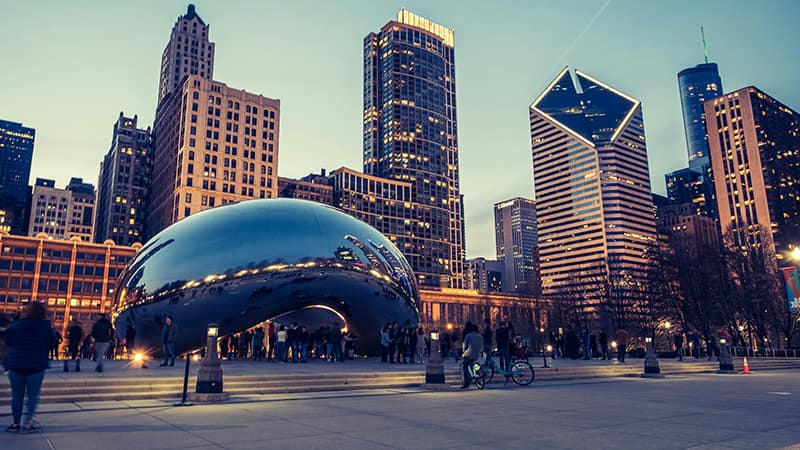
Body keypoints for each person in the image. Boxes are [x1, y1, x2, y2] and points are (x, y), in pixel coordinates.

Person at [4, 302, 54, 433]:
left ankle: (15, 424)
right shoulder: (46, 326)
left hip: (17, 364)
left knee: (16, 395)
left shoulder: (17, 325)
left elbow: (8, 340)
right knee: (33, 395)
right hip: (36, 364)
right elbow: (52, 342)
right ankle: (28, 422)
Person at [460, 322, 484, 389]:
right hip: (477, 353)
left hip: (469, 352)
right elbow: (482, 345)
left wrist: (463, 350)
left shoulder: (469, 335)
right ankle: (477, 375)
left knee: (465, 367)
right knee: (473, 364)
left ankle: (466, 382)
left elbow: (465, 344)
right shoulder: (480, 336)